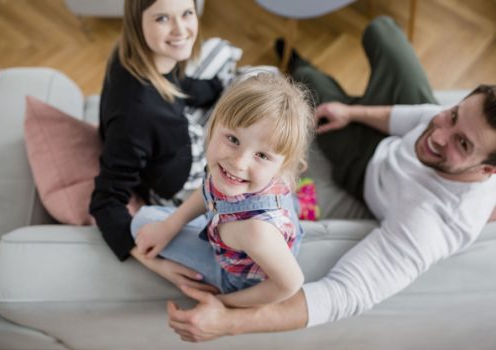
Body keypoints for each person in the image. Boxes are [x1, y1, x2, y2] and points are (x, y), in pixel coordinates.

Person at [165, 16, 496, 342]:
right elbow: (416, 116)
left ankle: (299, 64)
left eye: (462, 144)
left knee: (308, 80)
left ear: (486, 171)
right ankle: (321, 82)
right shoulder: (446, 126)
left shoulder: (432, 225)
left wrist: (229, 322)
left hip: (362, 166)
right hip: (383, 140)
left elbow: (342, 294)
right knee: (381, 30)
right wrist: (352, 113)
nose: (439, 136)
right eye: (452, 114)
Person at [130, 73, 314, 307]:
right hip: (238, 231)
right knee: (159, 224)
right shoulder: (228, 172)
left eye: (261, 155)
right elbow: (210, 189)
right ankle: (297, 208)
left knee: (141, 221)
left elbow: (291, 283)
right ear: (213, 126)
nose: (239, 162)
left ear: (281, 168)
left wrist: (226, 304)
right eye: (233, 139)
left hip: (234, 277)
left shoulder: (256, 231)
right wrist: (170, 225)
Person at [89, 0, 223, 292]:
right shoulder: (135, 115)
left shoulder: (141, 53)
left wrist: (216, 89)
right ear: (138, 23)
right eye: (162, 18)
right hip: (175, 182)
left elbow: (174, 81)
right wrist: (152, 262)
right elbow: (105, 201)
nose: (181, 29)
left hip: (171, 143)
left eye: (187, 13)